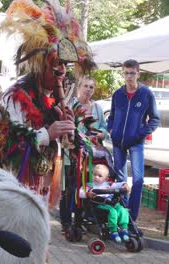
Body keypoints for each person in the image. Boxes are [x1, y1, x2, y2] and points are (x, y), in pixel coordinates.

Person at [0, 0, 95, 207]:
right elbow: (8, 141)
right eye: (56, 64)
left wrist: (71, 134)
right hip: (12, 184)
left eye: (66, 65)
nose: (62, 71)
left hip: (42, 184)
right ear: (41, 64)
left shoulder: (60, 99)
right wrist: (48, 133)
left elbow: (73, 150)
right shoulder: (16, 97)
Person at [107, 59, 160, 221]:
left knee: (138, 180)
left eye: (132, 73)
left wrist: (139, 134)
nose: (129, 76)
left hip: (136, 143)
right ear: (123, 73)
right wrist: (111, 130)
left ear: (138, 73)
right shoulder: (118, 94)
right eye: (126, 73)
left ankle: (132, 218)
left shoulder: (146, 94)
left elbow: (155, 119)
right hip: (118, 143)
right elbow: (112, 116)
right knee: (120, 179)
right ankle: (124, 215)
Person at [59, 76, 109, 232]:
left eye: (91, 87)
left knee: (85, 186)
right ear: (79, 87)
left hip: (90, 156)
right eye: (85, 86)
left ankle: (81, 220)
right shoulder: (70, 104)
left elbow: (104, 128)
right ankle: (66, 222)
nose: (88, 89)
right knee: (69, 189)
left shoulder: (97, 108)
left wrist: (100, 134)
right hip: (71, 155)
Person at [79, 164, 131, 243]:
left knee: (123, 210)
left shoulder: (109, 184)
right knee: (112, 212)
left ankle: (124, 229)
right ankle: (113, 231)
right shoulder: (90, 185)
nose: (96, 177)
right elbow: (80, 192)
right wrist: (88, 194)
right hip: (99, 206)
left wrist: (125, 185)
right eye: (94, 175)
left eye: (100, 176)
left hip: (110, 204)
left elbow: (119, 184)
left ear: (106, 178)